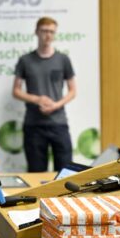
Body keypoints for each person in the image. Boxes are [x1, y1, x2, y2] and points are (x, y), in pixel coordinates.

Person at [13, 17, 76, 172]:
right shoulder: (25, 60)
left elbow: (73, 90)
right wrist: (37, 99)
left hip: (58, 123)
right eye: (44, 31)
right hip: (34, 125)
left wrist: (56, 105)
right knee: (36, 171)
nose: (48, 35)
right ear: (36, 32)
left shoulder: (63, 59)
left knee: (65, 171)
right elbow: (16, 91)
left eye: (51, 32)